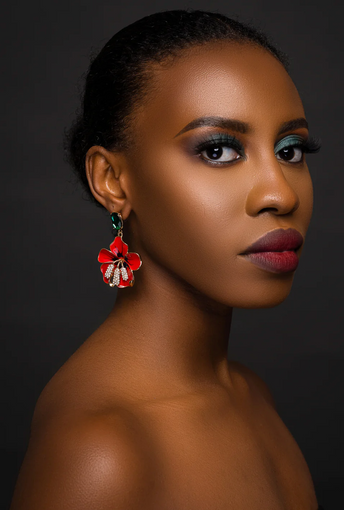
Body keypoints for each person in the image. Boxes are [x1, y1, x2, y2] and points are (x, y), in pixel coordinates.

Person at [10, 10, 323, 510]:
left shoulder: (249, 393)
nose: (280, 193)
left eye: (290, 149)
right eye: (219, 150)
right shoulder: (101, 450)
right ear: (112, 181)